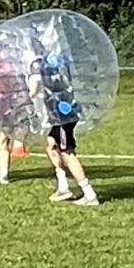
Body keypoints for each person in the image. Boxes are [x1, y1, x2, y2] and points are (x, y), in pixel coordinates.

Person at [36, 52, 99, 206]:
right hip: (58, 118)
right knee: (51, 144)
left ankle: (89, 194)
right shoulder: (58, 76)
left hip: (63, 119)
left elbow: (35, 89)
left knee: (68, 154)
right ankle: (63, 185)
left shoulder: (56, 80)